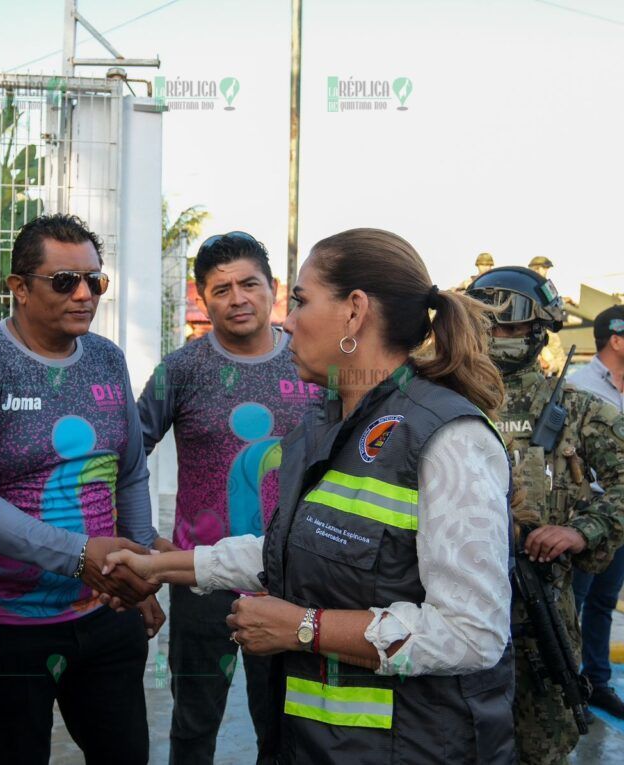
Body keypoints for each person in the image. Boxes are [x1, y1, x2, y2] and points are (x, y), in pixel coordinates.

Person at [108, 228, 517, 763]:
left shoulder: (447, 438)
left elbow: (472, 633)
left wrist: (304, 628)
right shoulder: (326, 424)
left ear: (354, 313)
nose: (287, 319)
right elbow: (291, 549)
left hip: (411, 747)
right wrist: (162, 566)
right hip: (321, 743)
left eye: (300, 301)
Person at [0, 214, 165, 765]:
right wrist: (76, 554)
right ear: (18, 287)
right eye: (65, 282)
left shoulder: (107, 358)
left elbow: (126, 472)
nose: (84, 295)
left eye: (95, 281)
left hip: (104, 610)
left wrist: (142, 570)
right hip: (6, 622)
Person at [136, 231, 319, 765]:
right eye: (221, 289)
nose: (237, 298)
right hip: (201, 577)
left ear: (273, 289)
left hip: (290, 576)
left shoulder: (312, 364)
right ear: (203, 297)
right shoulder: (181, 371)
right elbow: (125, 457)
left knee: (283, 727)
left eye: (248, 284)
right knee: (194, 724)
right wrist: (147, 536)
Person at [466, 268, 624, 764]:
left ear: (540, 329)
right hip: (455, 610)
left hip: (542, 610)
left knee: (543, 744)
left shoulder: (576, 408)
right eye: (489, 326)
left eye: (511, 327)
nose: (499, 338)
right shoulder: (441, 402)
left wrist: (582, 531)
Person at [567, 305, 624, 720]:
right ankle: (566, 690)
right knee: (573, 603)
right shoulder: (576, 385)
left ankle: (597, 683)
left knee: (604, 601)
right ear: (617, 340)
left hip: (620, 513)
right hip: (586, 514)